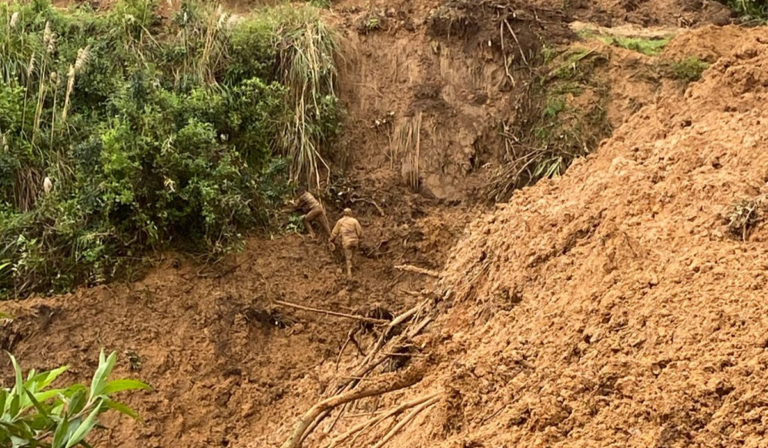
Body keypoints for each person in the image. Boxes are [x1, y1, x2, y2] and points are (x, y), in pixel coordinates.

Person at [331, 208, 363, 279]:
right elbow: (359, 231)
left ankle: (349, 273)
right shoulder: (354, 221)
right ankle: (356, 270)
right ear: (350, 213)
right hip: (355, 241)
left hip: (346, 241)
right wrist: (360, 237)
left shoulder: (340, 221)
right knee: (353, 254)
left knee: (348, 258)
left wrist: (331, 239)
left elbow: (334, 232)